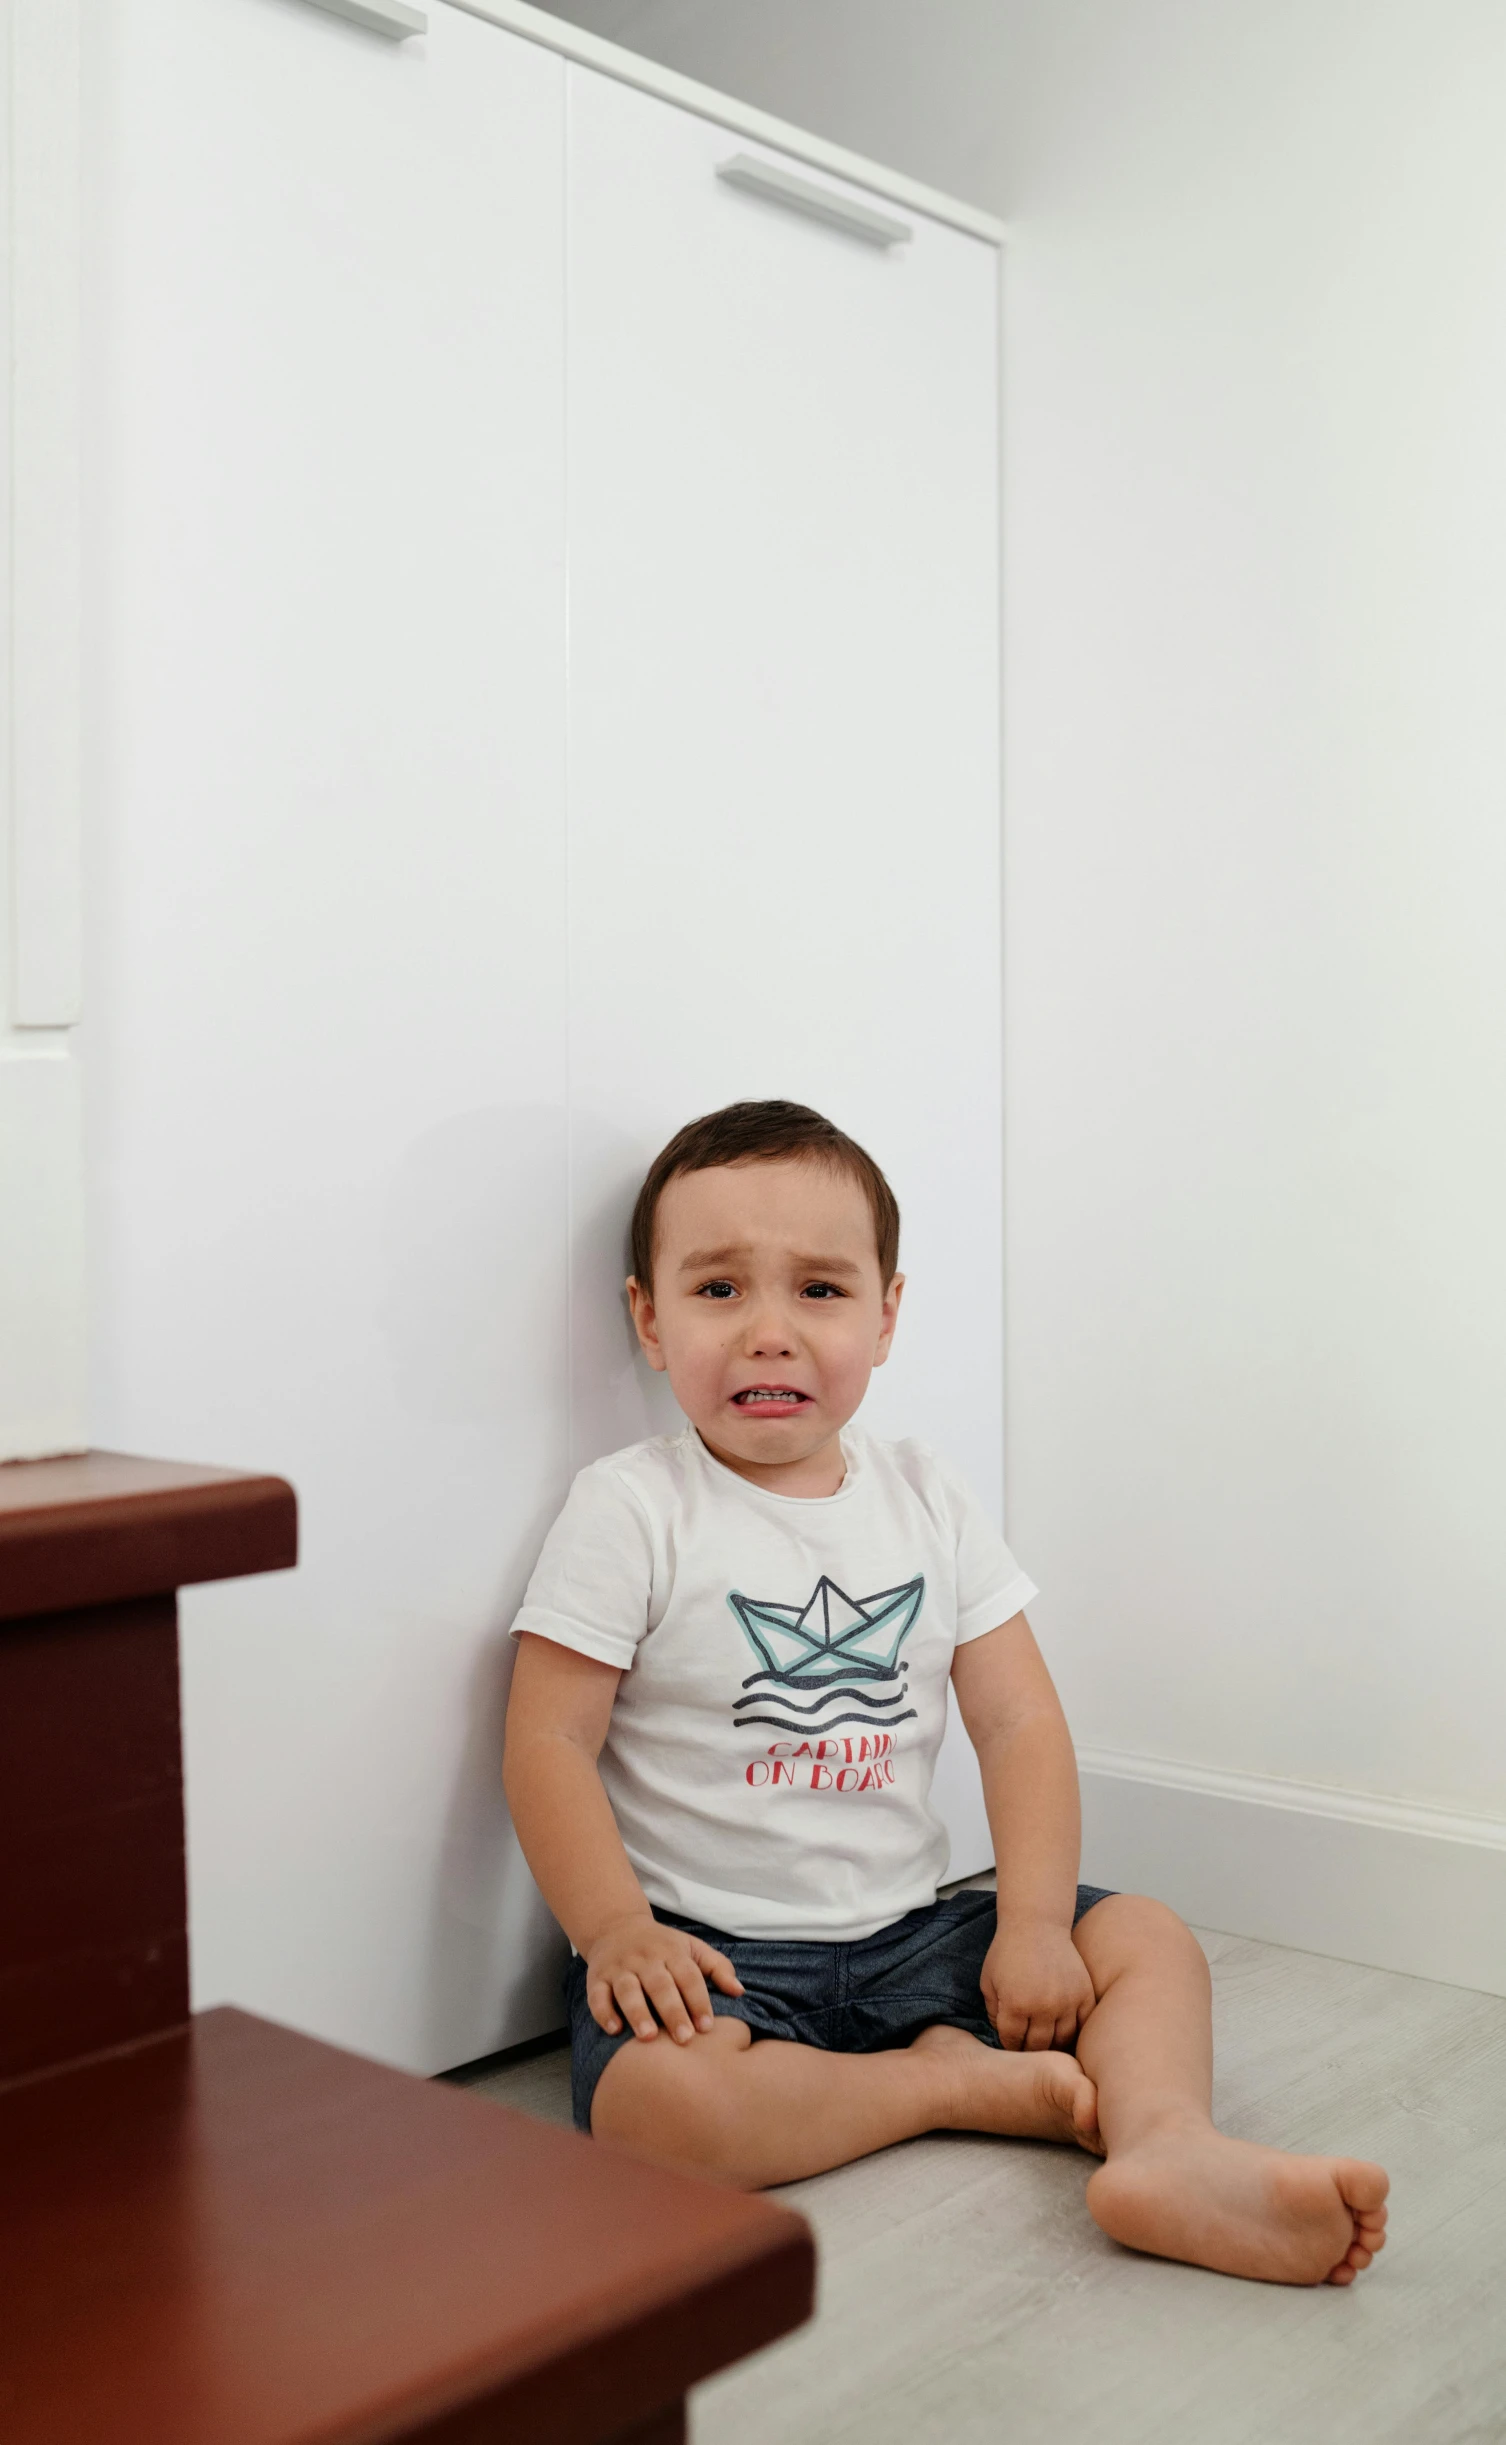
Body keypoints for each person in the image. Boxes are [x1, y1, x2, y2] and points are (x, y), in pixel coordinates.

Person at [503, 1101, 1388, 2284]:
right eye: (719, 1291)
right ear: (649, 1319)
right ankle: (936, 2087)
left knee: (1145, 1937)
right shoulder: (631, 1508)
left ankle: (1168, 2145)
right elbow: (548, 1741)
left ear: (887, 1314)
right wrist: (615, 1931)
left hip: (918, 1929)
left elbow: (1017, 1719)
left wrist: (1027, 1924)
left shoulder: (925, 1495)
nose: (770, 1332)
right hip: (720, 1961)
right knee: (659, 2110)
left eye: (819, 1291)